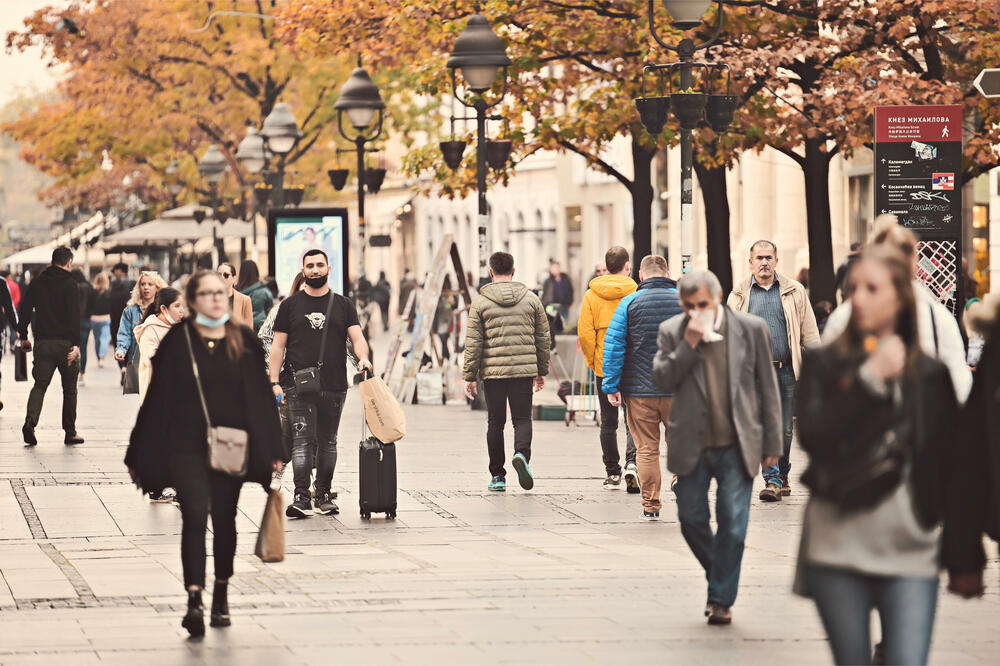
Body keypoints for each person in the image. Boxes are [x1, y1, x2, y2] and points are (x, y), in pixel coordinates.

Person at [794, 246, 961, 665]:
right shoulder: (824, 365)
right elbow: (815, 437)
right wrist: (869, 380)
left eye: (872, 288)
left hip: (910, 547)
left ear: (900, 296)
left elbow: (949, 462)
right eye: (853, 289)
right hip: (838, 544)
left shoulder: (929, 374)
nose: (859, 299)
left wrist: (962, 551)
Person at [125, 270, 284, 638]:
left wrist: (273, 448)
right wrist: (139, 451)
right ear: (194, 301)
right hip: (186, 446)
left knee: (225, 520)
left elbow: (260, 399)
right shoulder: (178, 341)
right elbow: (157, 399)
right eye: (207, 294)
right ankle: (194, 598)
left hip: (231, 445)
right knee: (195, 516)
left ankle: (221, 594)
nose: (215, 298)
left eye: (219, 292)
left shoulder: (242, 340)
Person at [651, 270, 782, 626]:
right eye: (688, 306)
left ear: (719, 297)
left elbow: (768, 388)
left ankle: (721, 599)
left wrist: (773, 442)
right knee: (691, 520)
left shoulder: (751, 329)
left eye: (702, 304)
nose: (696, 312)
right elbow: (661, 378)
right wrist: (688, 344)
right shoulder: (673, 331)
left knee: (733, 523)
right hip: (691, 443)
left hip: (737, 443)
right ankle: (720, 576)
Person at [823, 217, 972, 406]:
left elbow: (825, 394)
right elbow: (960, 392)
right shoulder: (939, 318)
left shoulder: (844, 317)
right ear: (913, 263)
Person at [269, 249, 373, 518]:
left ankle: (323, 494)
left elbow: (357, 338)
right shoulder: (289, 306)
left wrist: (363, 358)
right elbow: (278, 347)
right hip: (297, 385)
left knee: (328, 442)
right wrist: (274, 381)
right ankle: (301, 497)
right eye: (310, 266)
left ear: (329, 269)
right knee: (301, 442)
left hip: (334, 385)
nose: (315, 270)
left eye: (319, 265)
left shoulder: (343, 305)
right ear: (303, 270)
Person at [727, 240, 821, 501]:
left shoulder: (794, 291)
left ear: (777, 261)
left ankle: (782, 472)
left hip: (786, 370)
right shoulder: (738, 295)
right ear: (751, 262)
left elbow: (810, 333)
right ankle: (773, 480)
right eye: (759, 258)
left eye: (769, 257)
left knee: (785, 430)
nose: (764, 262)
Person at [601, 255, 683, 518]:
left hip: (639, 391)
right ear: (667, 273)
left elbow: (614, 347)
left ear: (640, 275)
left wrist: (611, 385)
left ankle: (651, 505)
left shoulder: (629, 302)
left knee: (646, 449)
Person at [463, 251, 550, 492]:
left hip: (493, 374)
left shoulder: (480, 302)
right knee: (522, 419)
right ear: (513, 271)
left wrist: (469, 376)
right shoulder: (531, 300)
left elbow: (473, 343)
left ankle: (498, 476)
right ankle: (521, 454)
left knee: (496, 422)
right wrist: (540, 370)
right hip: (523, 371)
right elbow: (543, 337)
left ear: (491, 272)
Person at [578, 246, 639, 491]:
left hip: (604, 365)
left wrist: (594, 362)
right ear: (627, 267)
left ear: (606, 266)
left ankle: (612, 472)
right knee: (633, 419)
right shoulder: (635, 293)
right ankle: (632, 464)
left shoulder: (591, 295)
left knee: (608, 421)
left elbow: (585, 334)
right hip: (632, 366)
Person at [18, 247, 84, 447]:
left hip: (43, 344)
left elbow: (25, 309)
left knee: (40, 385)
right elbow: (75, 316)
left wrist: (24, 336)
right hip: (66, 346)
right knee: (70, 390)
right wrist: (76, 344)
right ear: (69, 262)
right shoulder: (71, 284)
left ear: (52, 261)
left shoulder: (37, 282)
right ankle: (70, 433)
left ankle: (30, 423)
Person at [134, 287, 186, 404]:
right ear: (163, 308)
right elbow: (152, 360)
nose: (182, 310)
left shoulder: (181, 328)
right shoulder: (150, 330)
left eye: (182, 306)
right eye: (177, 306)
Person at [114, 272, 167, 379]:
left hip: (159, 360)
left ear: (157, 287)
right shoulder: (130, 311)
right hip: (138, 360)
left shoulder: (164, 309)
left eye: (150, 284)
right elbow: (124, 334)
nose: (146, 287)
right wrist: (121, 350)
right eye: (143, 284)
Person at [235, 260, 273, 333]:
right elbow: (270, 313)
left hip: (239, 330)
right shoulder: (265, 292)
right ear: (256, 272)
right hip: (260, 331)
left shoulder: (235, 292)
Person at [72, 269, 93, 387]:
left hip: (74, 321)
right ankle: (82, 374)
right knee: (83, 348)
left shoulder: (74, 287)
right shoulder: (90, 287)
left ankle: (73, 372)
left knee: (73, 347)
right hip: (86, 321)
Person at [88, 273, 112, 371]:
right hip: (106, 318)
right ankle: (101, 358)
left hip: (94, 319)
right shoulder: (109, 292)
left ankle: (99, 357)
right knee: (105, 339)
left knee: (97, 340)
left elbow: (89, 305)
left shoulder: (92, 292)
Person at [108, 262, 134, 352]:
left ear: (120, 271)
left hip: (115, 318)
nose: (114, 273)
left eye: (115, 271)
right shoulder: (132, 284)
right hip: (128, 318)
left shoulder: (113, 284)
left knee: (117, 344)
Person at [218, 263, 253, 328]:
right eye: (219, 275)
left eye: (226, 275)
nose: (222, 278)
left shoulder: (245, 300)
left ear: (234, 278)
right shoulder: (211, 298)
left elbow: (249, 328)